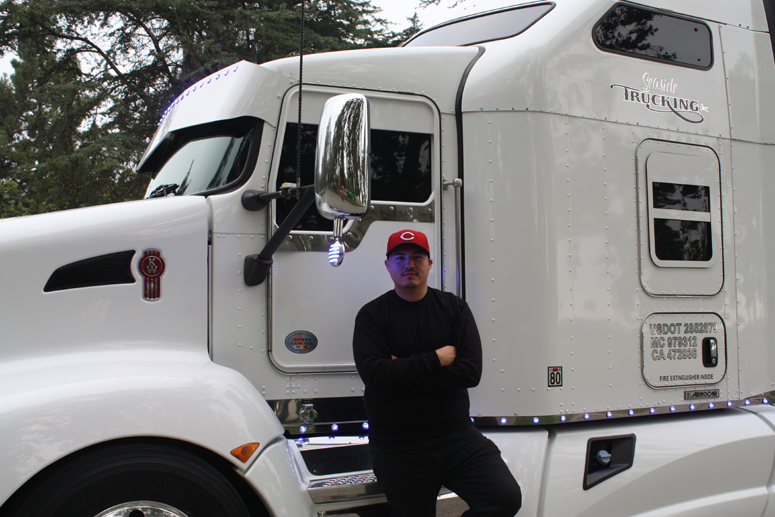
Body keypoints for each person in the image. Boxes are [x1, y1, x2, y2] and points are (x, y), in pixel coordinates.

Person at [353, 229, 522, 517]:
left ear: (430, 264)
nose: (409, 264)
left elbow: (470, 372)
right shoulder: (372, 315)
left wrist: (401, 371)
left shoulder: (454, 309)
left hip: (456, 436)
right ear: (387, 265)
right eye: (400, 258)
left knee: (504, 498)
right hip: (398, 445)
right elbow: (375, 376)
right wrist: (437, 358)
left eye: (418, 257)